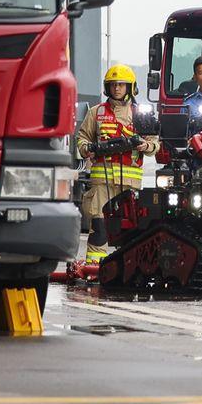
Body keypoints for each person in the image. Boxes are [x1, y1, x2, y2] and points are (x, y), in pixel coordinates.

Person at [76, 64, 160, 262]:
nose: (117, 88)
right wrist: (90, 148)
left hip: (129, 184)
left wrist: (143, 146)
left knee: (129, 226)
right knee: (99, 224)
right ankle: (94, 266)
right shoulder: (96, 112)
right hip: (101, 182)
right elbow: (82, 140)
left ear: (130, 87)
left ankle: (128, 267)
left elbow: (155, 145)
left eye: (121, 84)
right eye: (113, 84)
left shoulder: (140, 114)